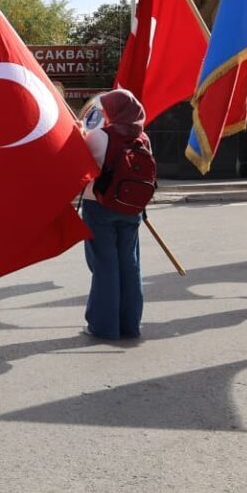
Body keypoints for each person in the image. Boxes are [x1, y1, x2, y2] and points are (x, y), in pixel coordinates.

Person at [81, 89, 150, 340]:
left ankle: (104, 326)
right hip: (131, 208)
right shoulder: (143, 137)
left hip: (99, 206)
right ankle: (130, 325)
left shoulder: (99, 136)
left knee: (105, 265)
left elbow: (82, 165)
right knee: (130, 265)